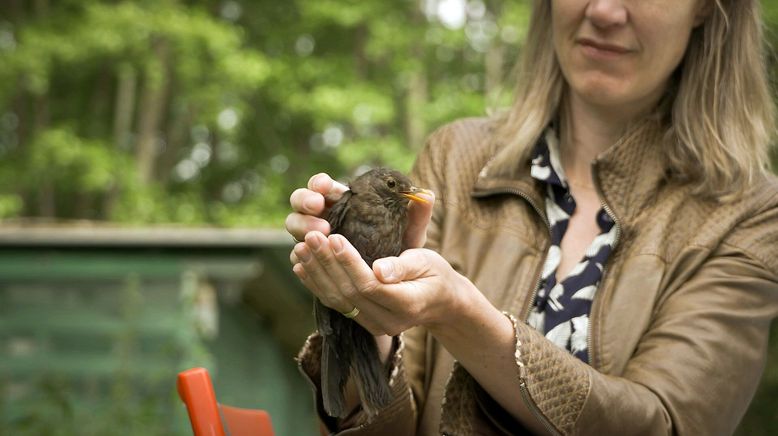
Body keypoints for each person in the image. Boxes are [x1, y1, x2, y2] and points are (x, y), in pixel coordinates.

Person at [285, 0, 778, 434]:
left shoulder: (751, 214)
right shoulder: (456, 159)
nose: (604, 11)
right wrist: (361, 319)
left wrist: (464, 318)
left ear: (707, 6)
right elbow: (386, 420)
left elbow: (666, 424)